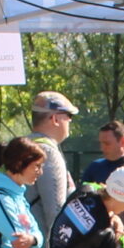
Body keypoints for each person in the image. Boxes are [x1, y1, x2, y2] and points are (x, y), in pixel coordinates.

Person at [28, 90, 79, 231]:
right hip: (36, 241)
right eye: (68, 115)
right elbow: (56, 212)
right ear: (55, 119)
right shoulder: (48, 153)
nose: (70, 121)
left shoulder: (19, 147)